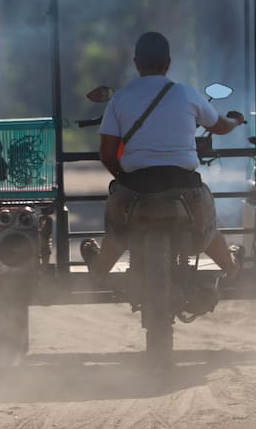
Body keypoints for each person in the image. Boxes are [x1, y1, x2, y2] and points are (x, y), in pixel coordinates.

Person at [81, 31, 245, 282]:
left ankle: (99, 269)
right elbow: (220, 126)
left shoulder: (120, 99)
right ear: (168, 64)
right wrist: (236, 119)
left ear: (137, 64)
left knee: (117, 231)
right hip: (184, 186)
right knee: (207, 227)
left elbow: (107, 153)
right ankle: (231, 268)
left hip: (135, 188)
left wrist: (123, 178)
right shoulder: (187, 94)